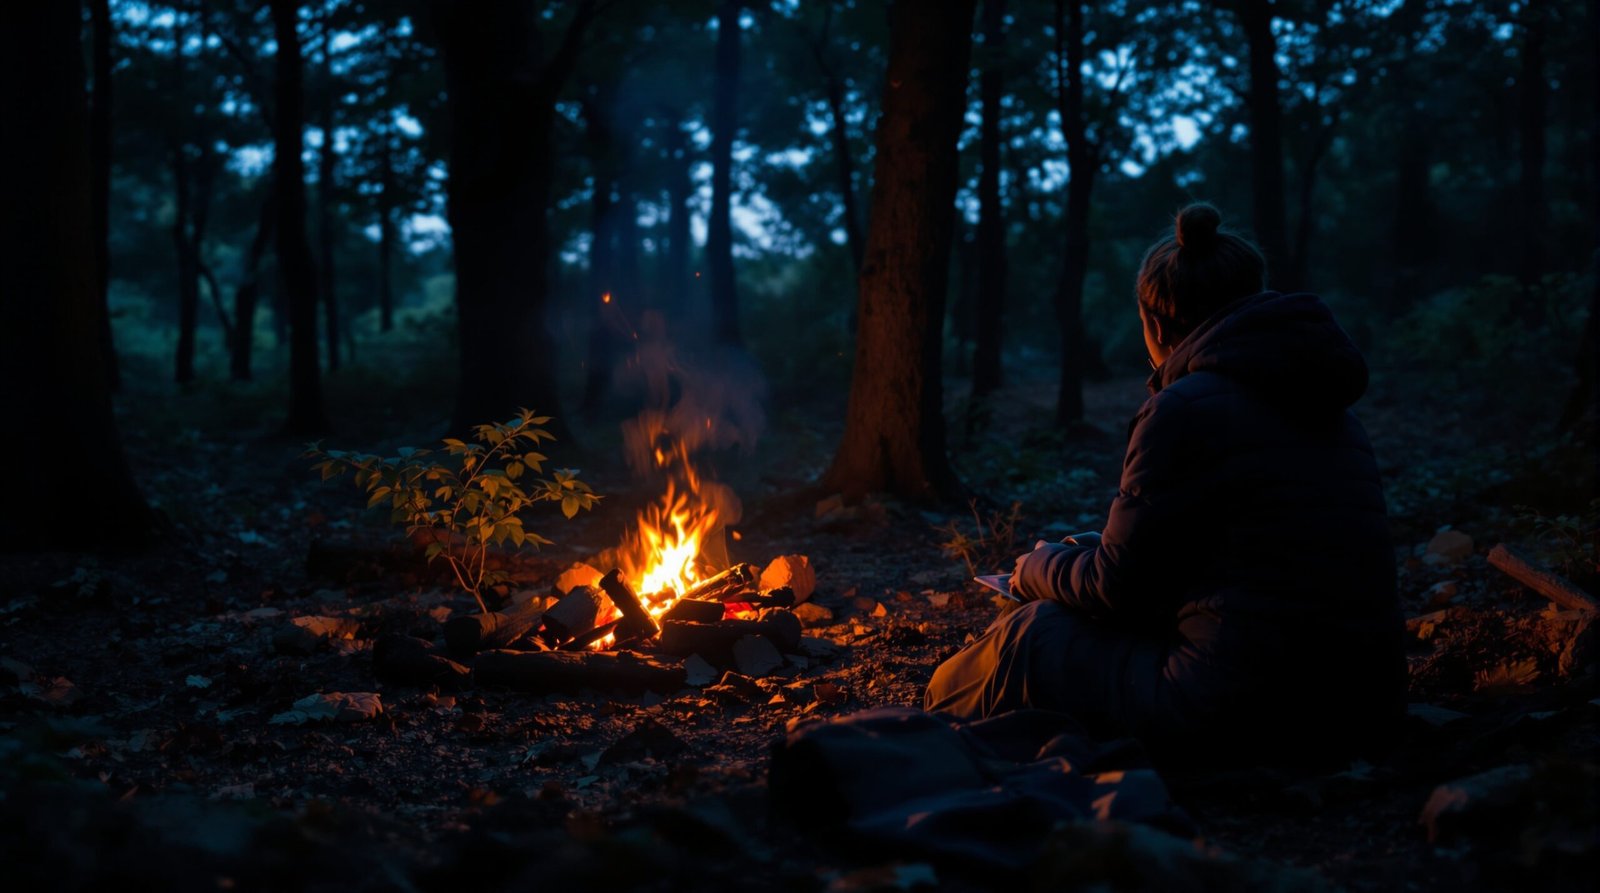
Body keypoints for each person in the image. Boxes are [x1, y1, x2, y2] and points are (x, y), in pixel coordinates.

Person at [924, 203, 1405, 768]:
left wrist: (1034, 570)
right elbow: (1241, 558)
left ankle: (930, 726)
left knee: (1033, 632)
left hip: (1246, 707)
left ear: (1154, 325)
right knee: (1079, 563)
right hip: (1363, 701)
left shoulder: (1182, 410)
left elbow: (1117, 587)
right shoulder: (1334, 407)